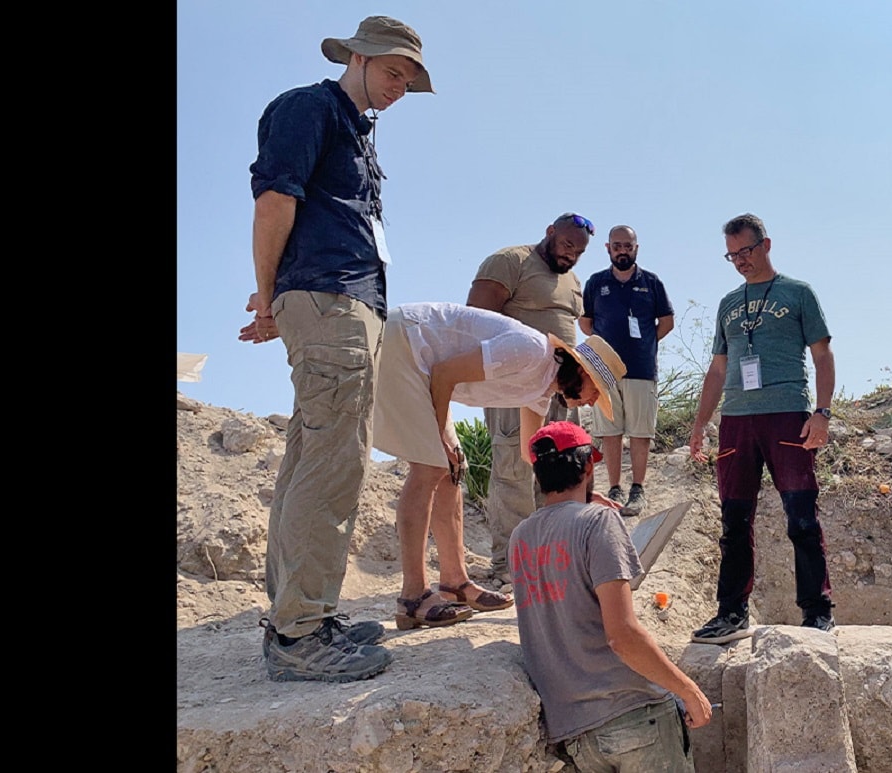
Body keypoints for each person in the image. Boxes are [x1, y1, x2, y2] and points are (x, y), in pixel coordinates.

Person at [238, 15, 432, 683]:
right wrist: (268, 297)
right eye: (392, 69)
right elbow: (273, 201)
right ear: (355, 56)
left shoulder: (358, 132)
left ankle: (304, 612)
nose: (401, 85)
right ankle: (298, 636)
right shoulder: (308, 107)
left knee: (313, 457)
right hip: (328, 301)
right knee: (333, 463)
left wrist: (280, 298)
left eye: (409, 77)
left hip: (345, 304)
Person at [372, 301, 628, 629]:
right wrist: (440, 438)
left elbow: (530, 454)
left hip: (427, 367)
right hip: (405, 343)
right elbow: (445, 372)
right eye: (597, 391)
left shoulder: (543, 386)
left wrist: (583, 497)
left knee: (452, 470)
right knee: (430, 466)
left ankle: (454, 582)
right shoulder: (530, 351)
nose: (593, 401)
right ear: (582, 371)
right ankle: (413, 597)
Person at [512, 421, 712, 771]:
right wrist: (689, 692)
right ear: (589, 466)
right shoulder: (598, 522)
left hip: (575, 733)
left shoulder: (520, 537)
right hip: (635, 715)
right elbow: (622, 636)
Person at [686, 213, 838, 644]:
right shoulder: (728, 304)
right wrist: (700, 424)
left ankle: (817, 612)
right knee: (734, 521)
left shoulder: (797, 293)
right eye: (732, 255)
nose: (740, 261)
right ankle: (732, 614)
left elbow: (822, 356)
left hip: (787, 414)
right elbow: (717, 370)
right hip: (736, 420)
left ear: (766, 245)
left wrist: (822, 412)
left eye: (746, 251)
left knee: (801, 517)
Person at [468, 213, 595, 585]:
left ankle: (555, 555)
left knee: (562, 466)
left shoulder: (573, 282)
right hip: (512, 383)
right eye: (568, 245)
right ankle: (510, 563)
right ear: (550, 232)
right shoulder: (510, 261)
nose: (571, 255)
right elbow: (474, 319)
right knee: (513, 465)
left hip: (561, 388)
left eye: (580, 251)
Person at [580, 225, 675, 517]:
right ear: (608, 248)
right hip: (604, 371)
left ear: (636, 248)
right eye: (617, 245)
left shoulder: (652, 282)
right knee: (610, 431)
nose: (623, 250)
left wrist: (645, 342)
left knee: (639, 431)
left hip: (641, 369)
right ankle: (614, 488)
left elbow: (666, 322)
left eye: (628, 246)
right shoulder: (596, 283)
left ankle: (638, 488)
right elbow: (586, 323)